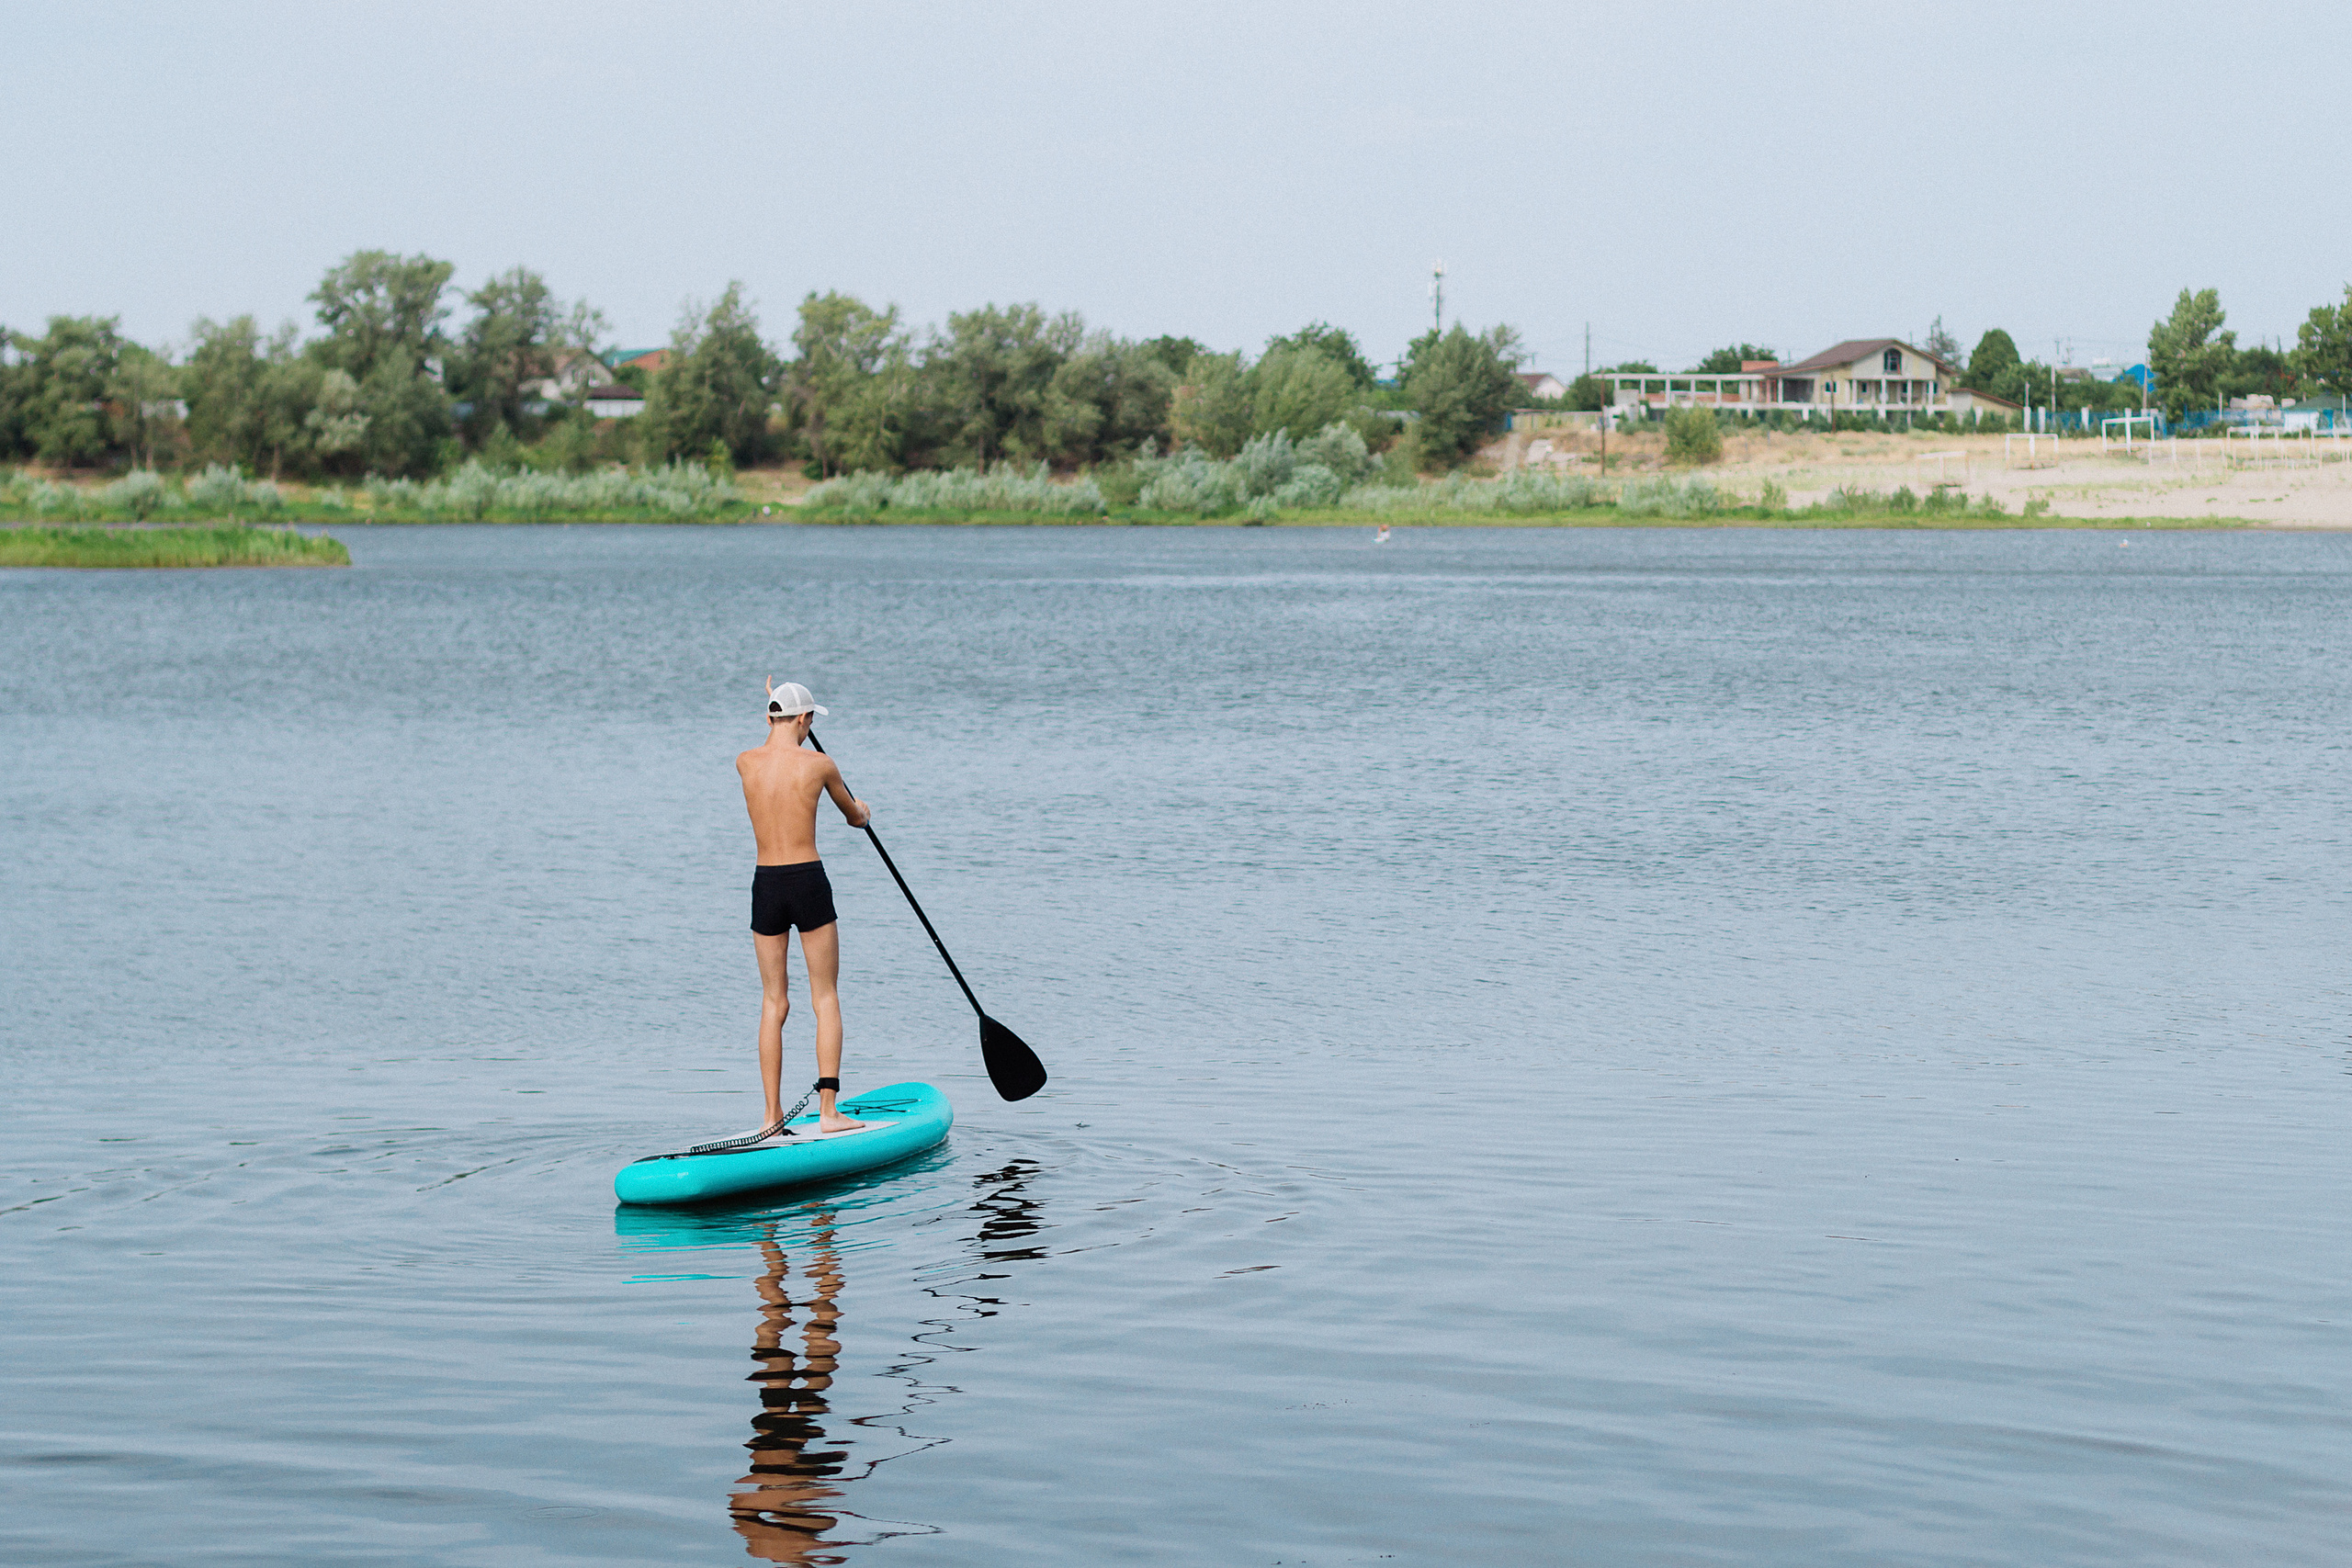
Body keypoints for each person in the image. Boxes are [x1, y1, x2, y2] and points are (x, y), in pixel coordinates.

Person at [737, 679, 870, 1138]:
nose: (811, 724)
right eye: (810, 718)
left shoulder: (745, 762)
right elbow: (853, 817)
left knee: (774, 1001)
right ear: (803, 720)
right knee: (825, 996)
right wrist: (864, 811)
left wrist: (776, 714)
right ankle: (829, 1111)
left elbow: (772, 747)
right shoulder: (820, 765)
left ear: (768, 716)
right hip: (807, 881)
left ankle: (771, 1116)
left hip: (766, 885)